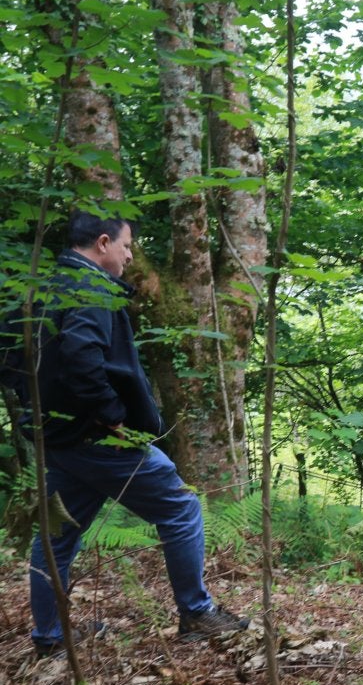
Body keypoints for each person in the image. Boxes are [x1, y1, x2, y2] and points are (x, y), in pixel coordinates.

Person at [24, 210, 247, 659]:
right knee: (181, 506)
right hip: (96, 437)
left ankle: (52, 635)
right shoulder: (91, 290)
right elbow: (82, 357)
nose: (128, 257)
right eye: (126, 246)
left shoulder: (42, 288)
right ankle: (197, 614)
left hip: (54, 435)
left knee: (57, 536)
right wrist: (112, 417)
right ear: (102, 242)